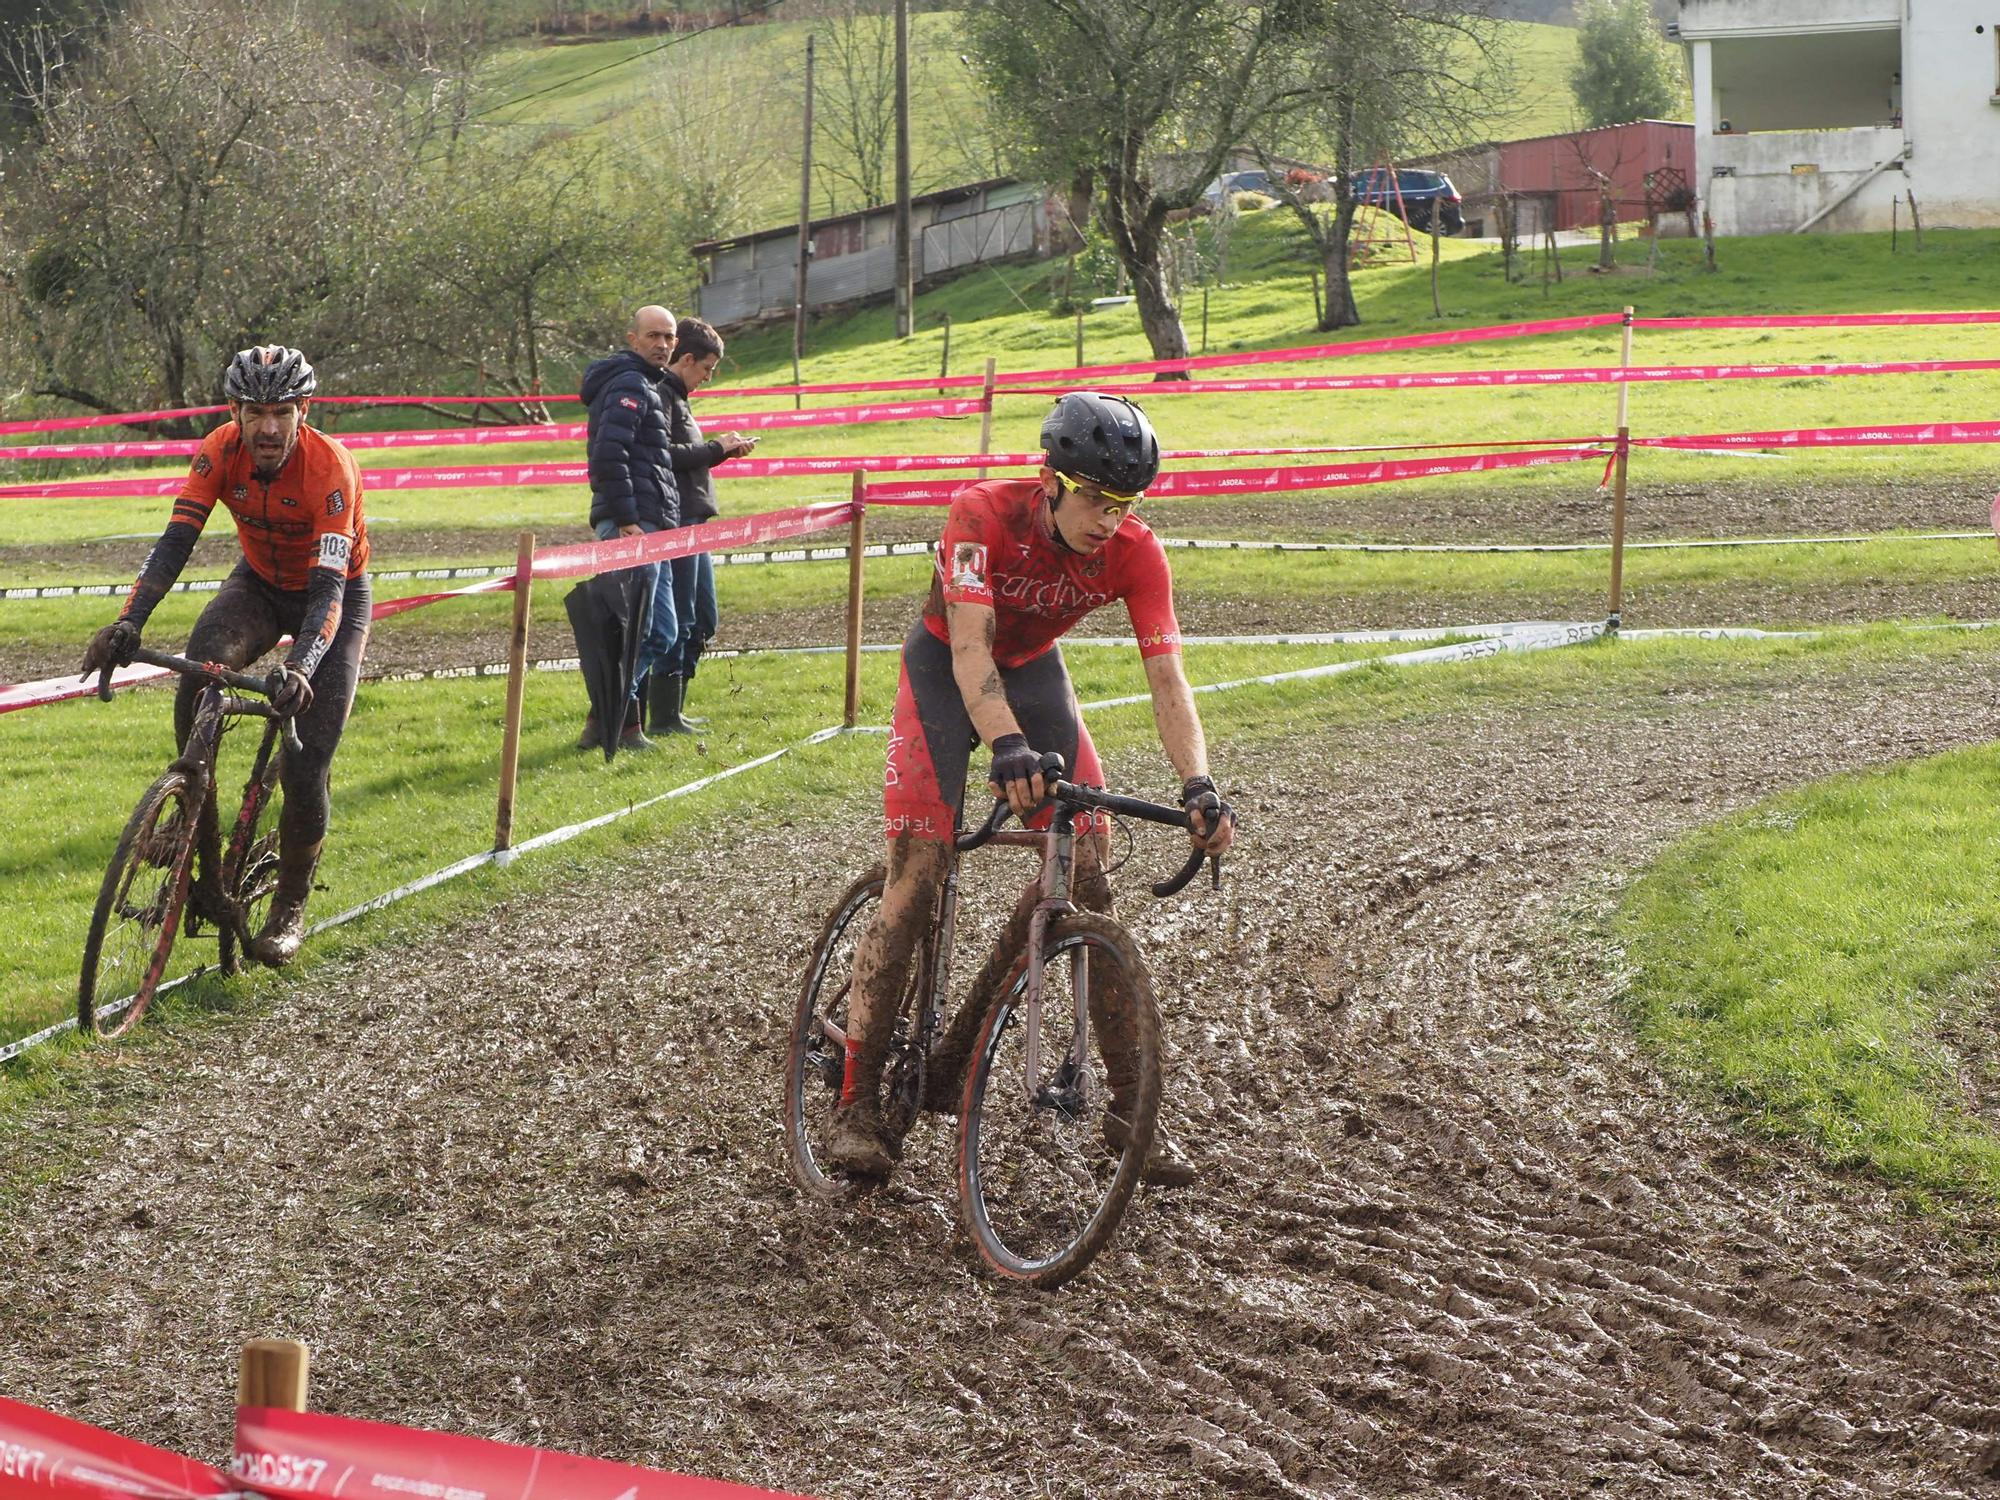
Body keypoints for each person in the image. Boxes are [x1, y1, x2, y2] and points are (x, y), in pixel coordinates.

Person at [825, 391, 1235, 1185]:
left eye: (1125, 504)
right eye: (1094, 498)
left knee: (1087, 868)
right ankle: (858, 1104)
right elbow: (971, 649)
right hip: (947, 670)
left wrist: (1199, 783)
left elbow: (1167, 677)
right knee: (918, 875)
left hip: (1034, 673)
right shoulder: (981, 515)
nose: (1108, 519)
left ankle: (1127, 1113)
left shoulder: (1137, 552)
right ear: (1050, 479)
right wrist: (1006, 744)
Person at [79, 345, 370, 967]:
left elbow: (327, 591)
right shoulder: (218, 450)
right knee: (200, 674)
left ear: (303, 410)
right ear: (235, 410)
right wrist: (129, 622)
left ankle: (289, 905)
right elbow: (175, 540)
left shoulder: (330, 468)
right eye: (254, 412)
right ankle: (195, 833)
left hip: (333, 595)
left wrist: (302, 667)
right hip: (259, 584)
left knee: (307, 757)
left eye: (282, 412)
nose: (268, 428)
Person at [577, 303, 682, 752]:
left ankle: (609, 718)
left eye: (669, 338)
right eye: (654, 336)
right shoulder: (630, 384)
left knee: (653, 630)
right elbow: (608, 456)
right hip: (631, 526)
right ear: (633, 338)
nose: (662, 345)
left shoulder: (645, 385)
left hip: (647, 522)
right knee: (650, 629)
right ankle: (616, 719)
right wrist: (625, 521)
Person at [650, 317, 753, 733]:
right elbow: (665, 455)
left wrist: (720, 451)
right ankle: (663, 716)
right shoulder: (659, 396)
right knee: (682, 617)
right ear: (687, 358)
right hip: (676, 519)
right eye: (707, 368)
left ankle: (673, 709)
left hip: (694, 518)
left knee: (702, 618)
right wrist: (717, 448)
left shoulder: (678, 398)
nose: (708, 378)